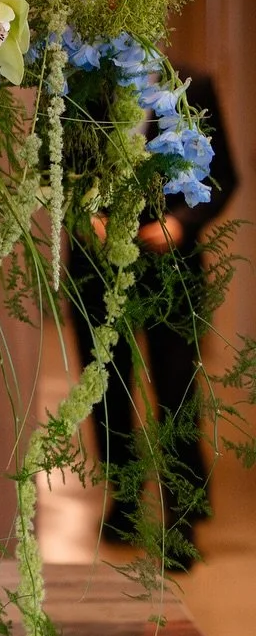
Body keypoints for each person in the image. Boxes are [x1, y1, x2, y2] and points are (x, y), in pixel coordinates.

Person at [68, 71, 237, 565]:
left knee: (178, 388)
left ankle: (182, 518)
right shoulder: (86, 84)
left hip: (170, 265)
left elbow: (224, 176)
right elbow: (55, 168)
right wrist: (85, 213)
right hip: (97, 263)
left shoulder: (192, 88)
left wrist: (183, 223)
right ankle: (123, 503)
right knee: (107, 386)